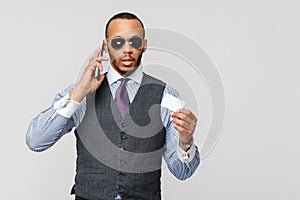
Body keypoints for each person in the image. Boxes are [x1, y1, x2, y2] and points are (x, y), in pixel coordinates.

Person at [26, 12, 200, 200]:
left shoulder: (167, 96)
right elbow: (36, 141)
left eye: (134, 42)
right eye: (118, 43)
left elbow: (182, 172)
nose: (127, 50)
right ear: (106, 46)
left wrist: (185, 142)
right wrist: (78, 93)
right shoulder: (83, 93)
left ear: (144, 45)